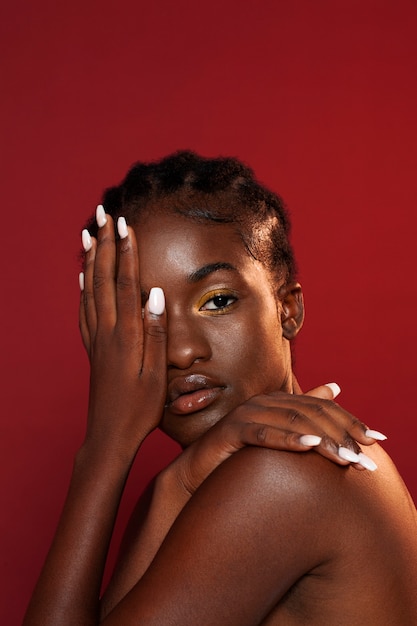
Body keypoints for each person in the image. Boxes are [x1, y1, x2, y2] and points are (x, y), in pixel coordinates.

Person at [24, 151, 417, 625]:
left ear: (286, 309)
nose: (182, 352)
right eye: (147, 319)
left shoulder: (285, 475)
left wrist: (105, 446)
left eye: (218, 300)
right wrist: (180, 480)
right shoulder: (211, 481)